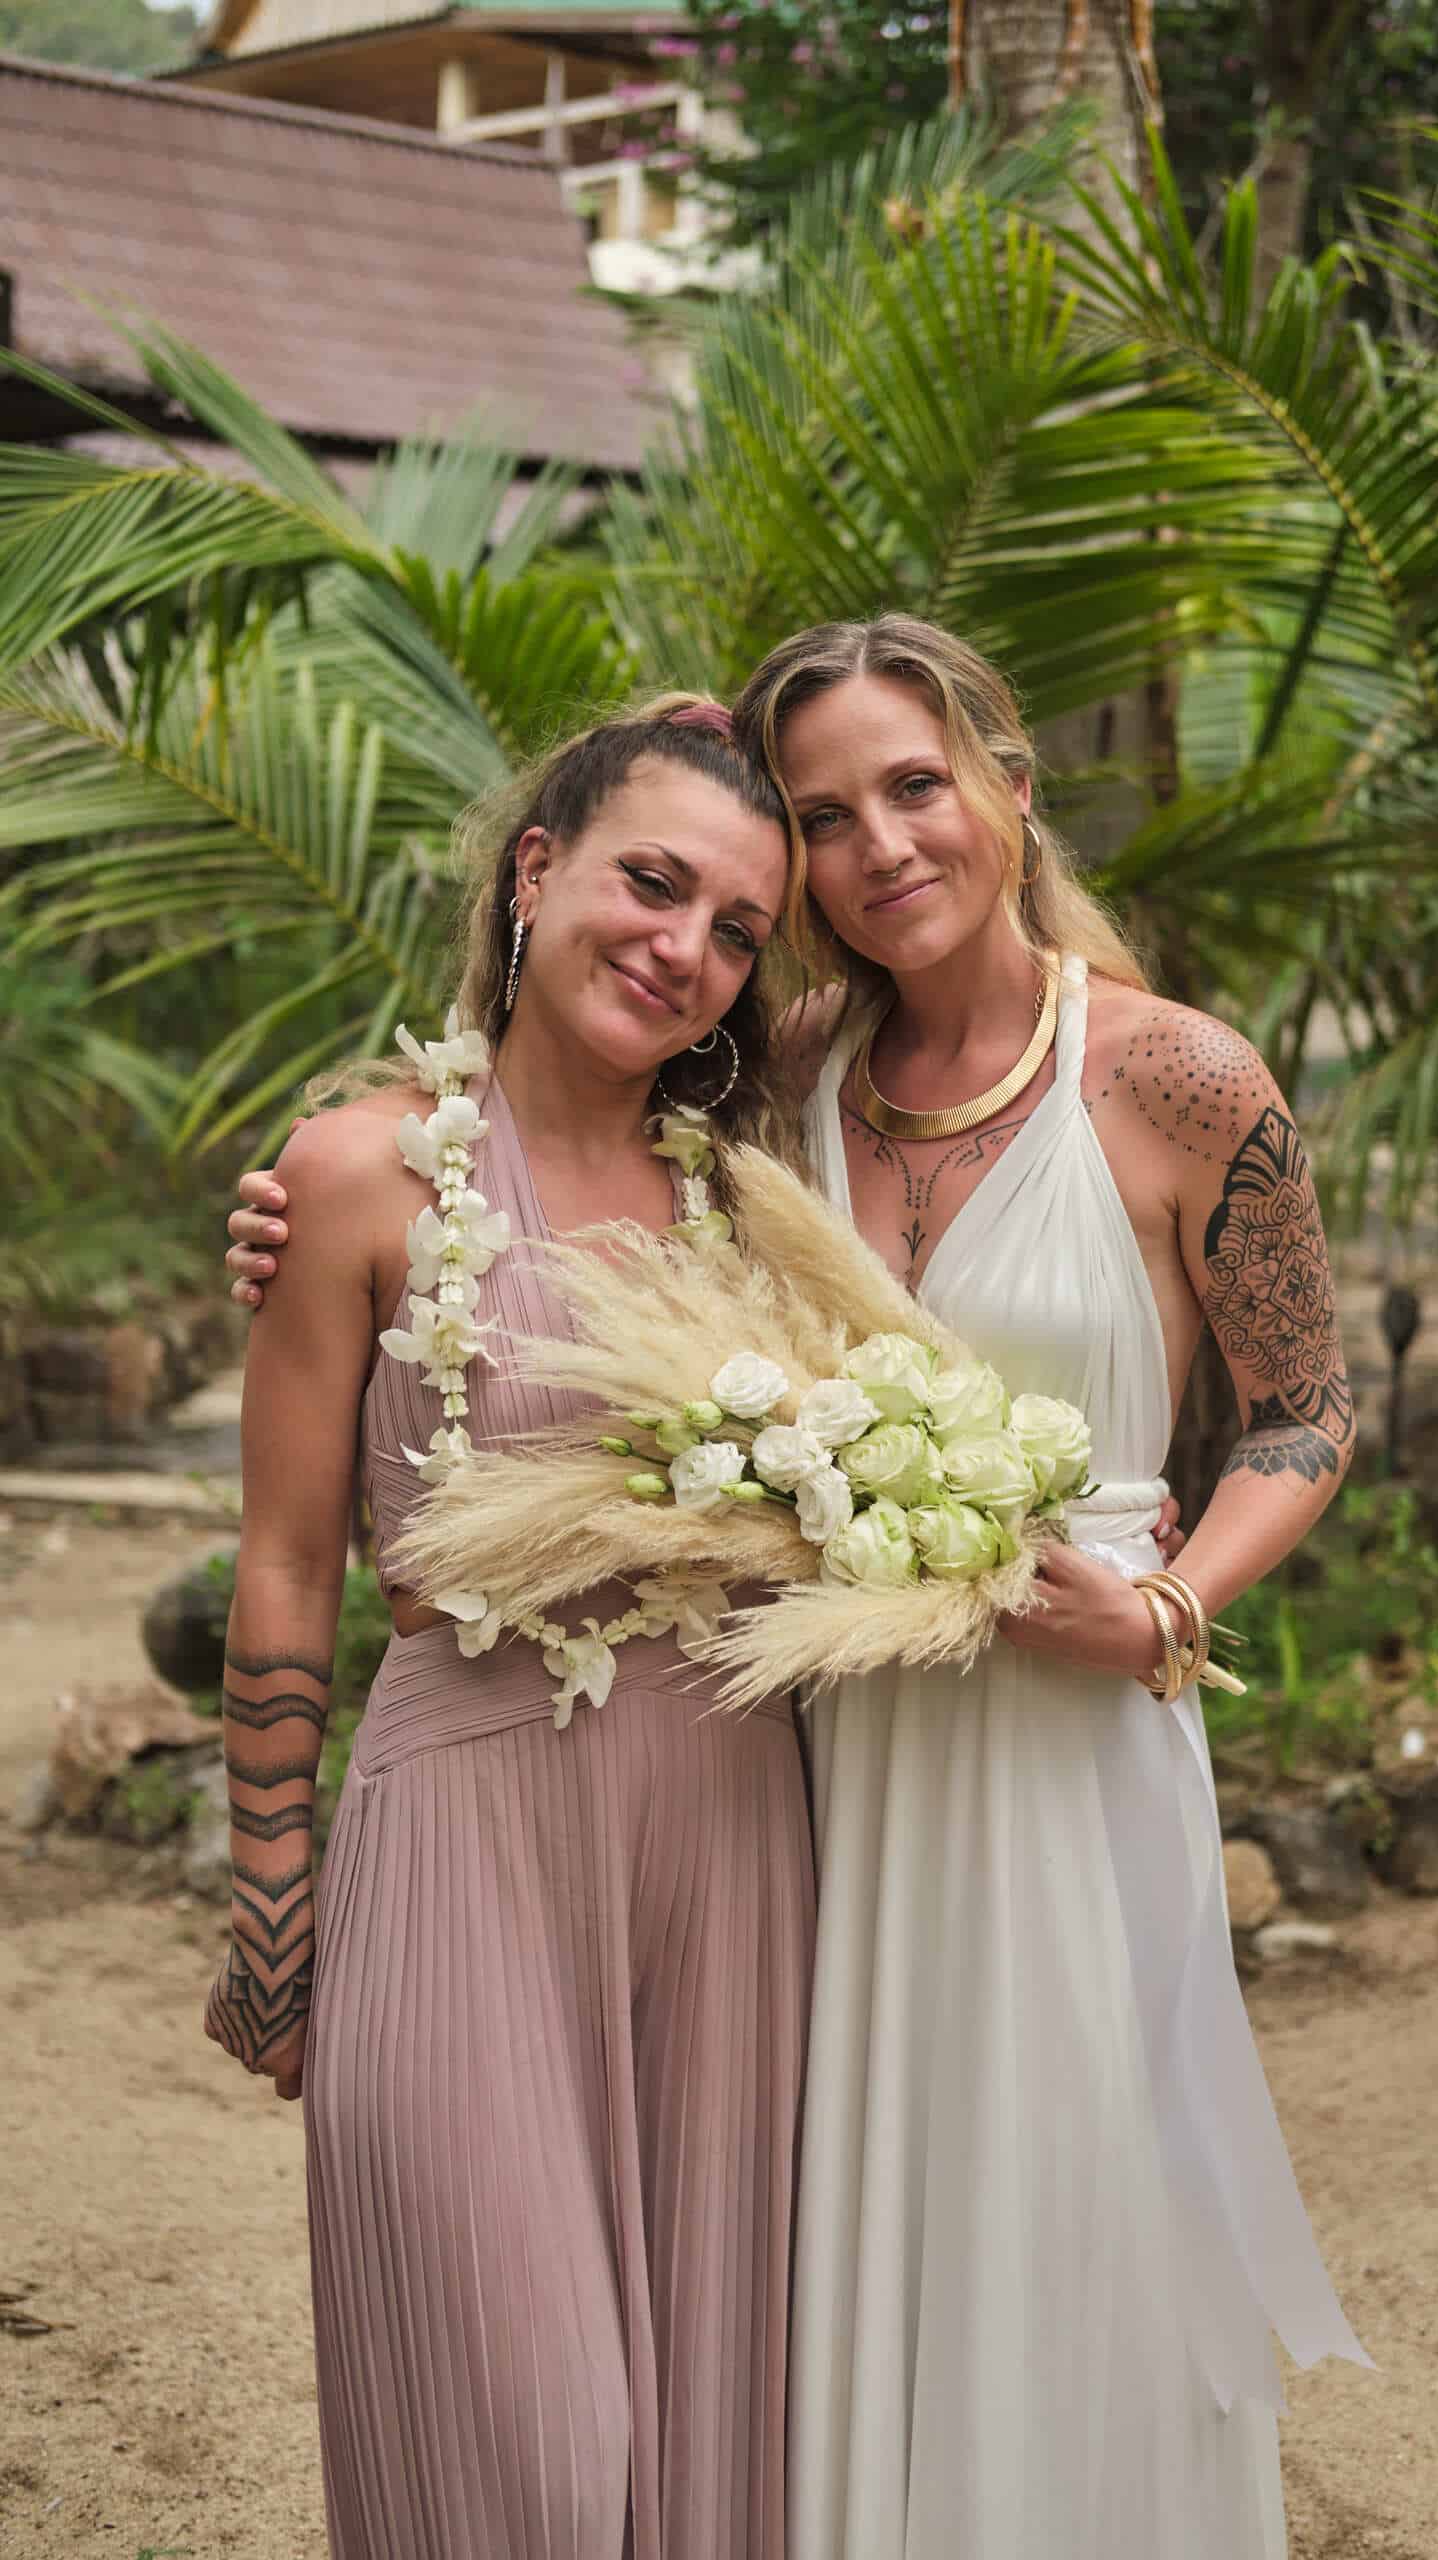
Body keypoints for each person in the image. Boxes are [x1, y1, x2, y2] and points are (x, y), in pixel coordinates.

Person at [228, 620, 1366, 2556]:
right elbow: (532, 1151)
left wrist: (1170, 1606)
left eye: (913, 785)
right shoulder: (780, 1090)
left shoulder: (1173, 1073)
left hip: (1043, 1756)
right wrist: (298, 1209)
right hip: (819, 1760)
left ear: (1009, 783)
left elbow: (1308, 1404)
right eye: (825, 817)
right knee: (788, 2333)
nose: (877, 844)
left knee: (1054, 2265)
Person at [205, 699, 815, 2560]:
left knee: (718, 2424)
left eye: (736, 930)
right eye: (653, 882)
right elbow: (288, 1563)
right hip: (462, 1825)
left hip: (728, 1837)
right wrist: (270, 1904)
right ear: (536, 871)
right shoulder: (356, 1173)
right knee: (522, 2444)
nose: (685, 948)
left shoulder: (762, 1207)